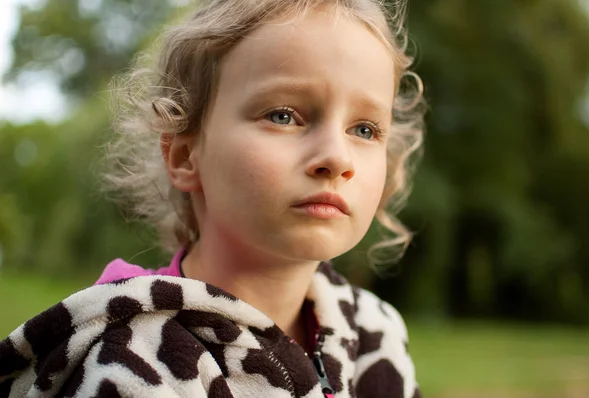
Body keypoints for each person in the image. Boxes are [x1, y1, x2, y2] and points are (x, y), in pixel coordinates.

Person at [0, 0, 425, 396]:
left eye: (365, 129)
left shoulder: (374, 333)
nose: (336, 157)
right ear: (186, 155)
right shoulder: (134, 360)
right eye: (283, 116)